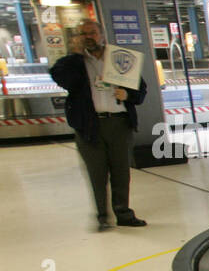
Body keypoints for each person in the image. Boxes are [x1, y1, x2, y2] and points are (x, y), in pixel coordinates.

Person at [49, 19, 148, 230]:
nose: (89, 36)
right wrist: (75, 54)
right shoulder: (75, 63)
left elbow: (141, 91)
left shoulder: (119, 59)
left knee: (121, 171)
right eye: (83, 33)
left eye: (92, 32)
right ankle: (102, 216)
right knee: (97, 172)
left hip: (119, 123)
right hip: (90, 125)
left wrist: (128, 94)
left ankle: (123, 213)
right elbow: (59, 77)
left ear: (101, 35)